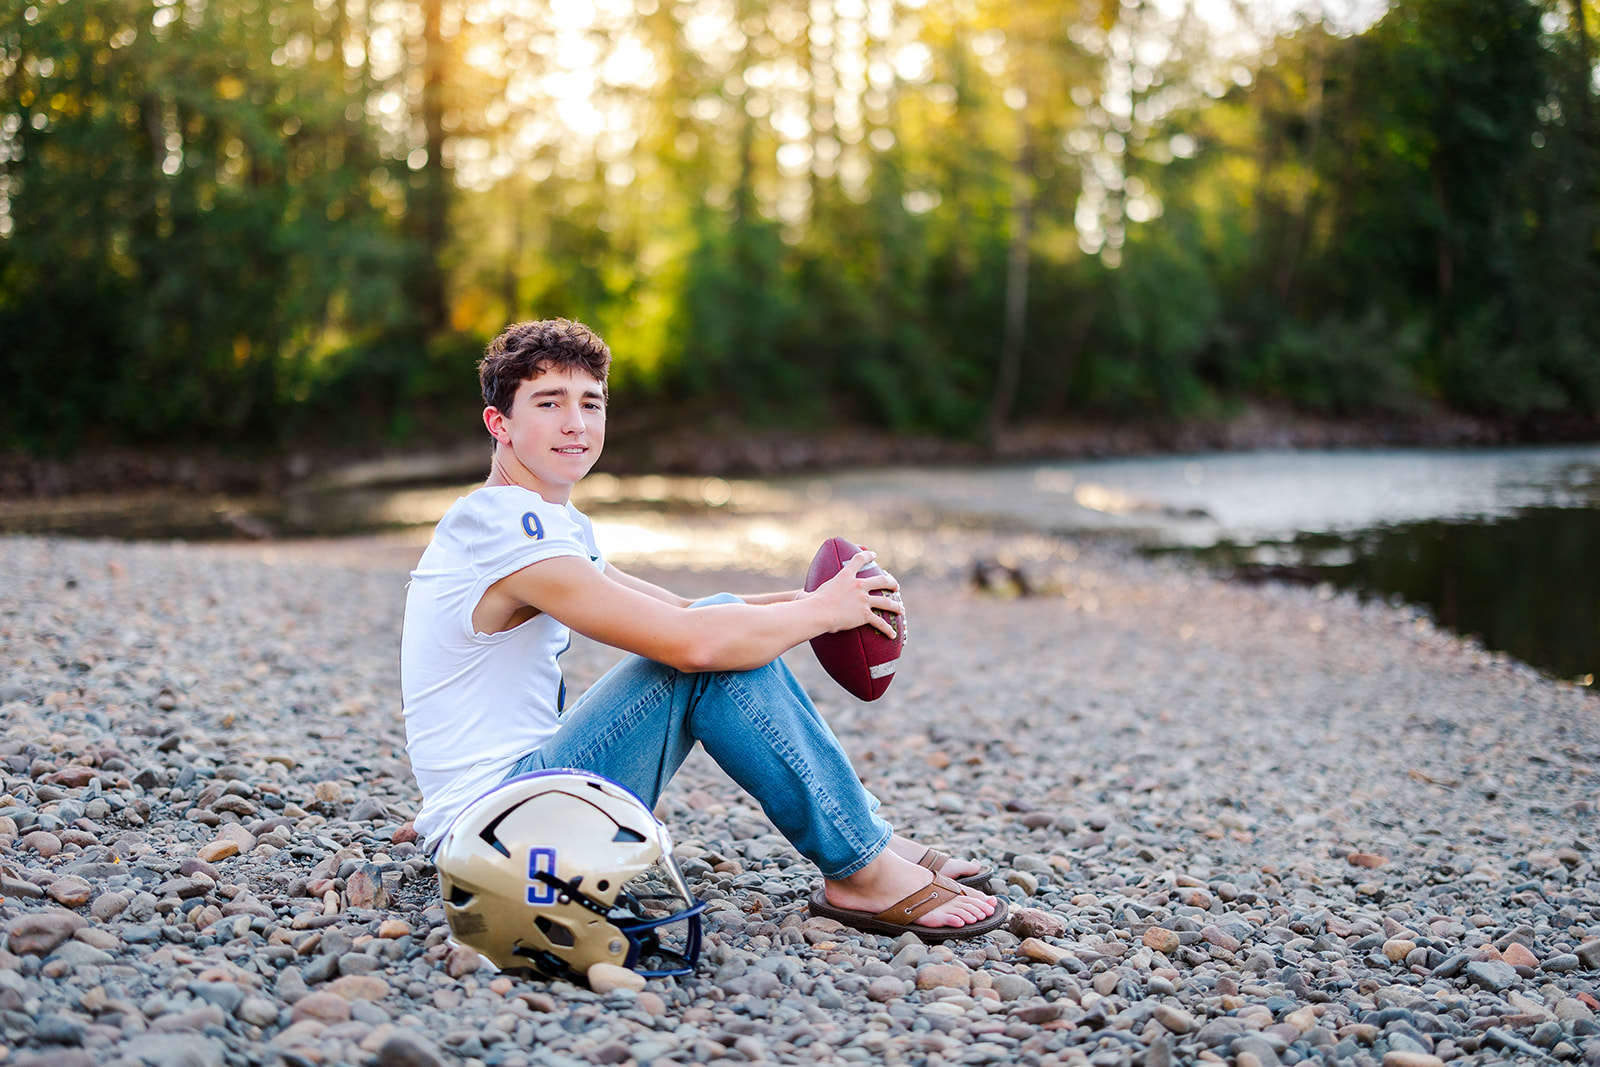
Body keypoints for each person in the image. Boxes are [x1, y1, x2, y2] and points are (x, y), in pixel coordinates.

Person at [400, 318, 1003, 940]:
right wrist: (824, 615)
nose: (575, 423)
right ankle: (861, 869)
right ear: (499, 424)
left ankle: (866, 839)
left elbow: (684, 610)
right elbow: (695, 644)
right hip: (504, 847)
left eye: (590, 403)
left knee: (717, 625)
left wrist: (817, 598)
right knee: (710, 659)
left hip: (507, 826)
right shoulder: (506, 531)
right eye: (549, 404)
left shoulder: (543, 521)